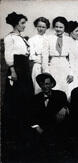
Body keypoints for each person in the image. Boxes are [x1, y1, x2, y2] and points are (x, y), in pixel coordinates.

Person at [3, 12, 34, 144]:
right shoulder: (10, 38)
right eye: (22, 23)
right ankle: (14, 129)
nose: (24, 26)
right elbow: (9, 55)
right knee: (16, 96)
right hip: (17, 68)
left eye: (24, 23)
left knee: (26, 96)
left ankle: (25, 125)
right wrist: (13, 71)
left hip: (24, 68)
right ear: (15, 24)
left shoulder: (21, 37)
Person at [28, 73, 69, 151]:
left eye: (47, 84)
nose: (44, 86)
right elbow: (31, 115)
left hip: (57, 129)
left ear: (52, 84)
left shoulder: (60, 94)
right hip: (42, 129)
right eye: (42, 84)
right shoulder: (35, 99)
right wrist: (37, 127)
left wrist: (64, 108)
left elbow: (68, 105)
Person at [42, 16, 74, 99]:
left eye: (61, 27)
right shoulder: (48, 38)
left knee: (65, 89)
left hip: (64, 65)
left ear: (65, 28)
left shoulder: (69, 40)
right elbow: (45, 56)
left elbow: (72, 59)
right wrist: (46, 71)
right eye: (56, 27)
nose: (58, 29)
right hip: (53, 65)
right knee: (53, 88)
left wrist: (71, 73)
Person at [29, 17, 50, 94]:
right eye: (39, 26)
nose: (41, 29)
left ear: (47, 28)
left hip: (49, 65)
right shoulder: (32, 40)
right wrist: (42, 61)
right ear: (36, 26)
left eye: (43, 27)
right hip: (38, 66)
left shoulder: (49, 39)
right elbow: (31, 56)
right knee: (38, 88)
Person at [66, 20, 78, 95]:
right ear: (70, 31)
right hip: (69, 72)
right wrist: (70, 73)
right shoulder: (66, 42)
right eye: (76, 31)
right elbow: (67, 59)